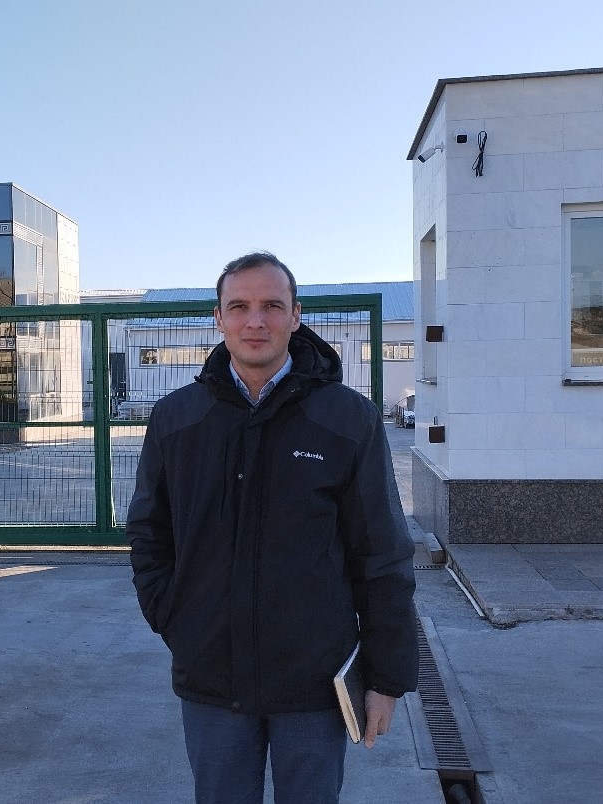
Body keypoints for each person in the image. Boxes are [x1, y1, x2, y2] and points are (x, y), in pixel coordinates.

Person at [127, 252, 418, 804]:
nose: (255, 321)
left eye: (272, 306)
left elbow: (382, 552)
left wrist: (385, 676)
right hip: (211, 675)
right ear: (218, 318)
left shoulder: (347, 419)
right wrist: (173, 616)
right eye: (239, 306)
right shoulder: (176, 419)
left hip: (314, 682)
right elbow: (149, 531)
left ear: (296, 315)